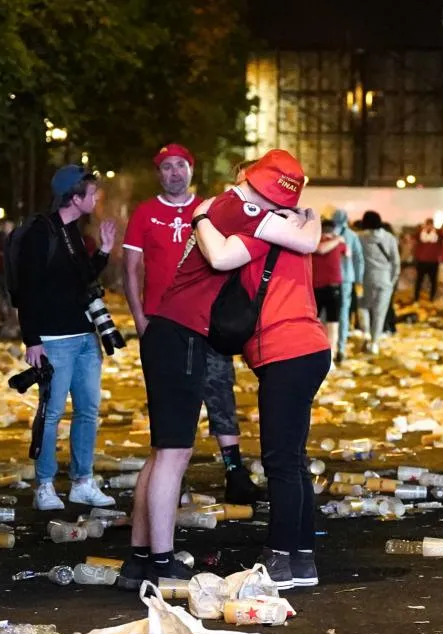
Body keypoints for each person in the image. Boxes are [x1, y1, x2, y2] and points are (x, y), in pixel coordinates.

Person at [120, 150, 322, 587]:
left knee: (163, 453)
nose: (278, 210)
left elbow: (306, 233)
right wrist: (201, 218)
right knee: (175, 454)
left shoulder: (228, 207)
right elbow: (233, 257)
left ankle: (139, 559)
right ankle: (160, 563)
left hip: (169, 330)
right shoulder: (243, 211)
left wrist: (203, 217)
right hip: (182, 333)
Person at [189, 152, 330, 589]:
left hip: (286, 349)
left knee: (281, 462)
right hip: (308, 348)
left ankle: (282, 560)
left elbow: (218, 256)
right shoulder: (295, 227)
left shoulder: (263, 230)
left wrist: (200, 217)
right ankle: (301, 558)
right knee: (294, 459)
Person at [122, 144, 261, 504]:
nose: (174, 173)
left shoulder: (212, 209)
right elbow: (131, 269)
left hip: (208, 322)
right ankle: (172, 483)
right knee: (168, 406)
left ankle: (234, 471)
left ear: (191, 169)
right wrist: (140, 320)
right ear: (158, 173)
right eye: (166, 167)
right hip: (164, 326)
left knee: (220, 392)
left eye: (180, 166)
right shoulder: (145, 214)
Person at [12, 165, 117, 511]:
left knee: (88, 410)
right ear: (75, 198)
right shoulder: (41, 234)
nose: (96, 197)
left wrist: (103, 251)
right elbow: (26, 291)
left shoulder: (72, 231)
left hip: (85, 338)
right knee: (52, 413)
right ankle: (44, 485)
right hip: (54, 340)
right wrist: (33, 341)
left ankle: (82, 482)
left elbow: (82, 278)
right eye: (91, 193)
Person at [358, 211, 399, 353]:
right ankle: (375, 343)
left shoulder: (360, 238)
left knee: (363, 305)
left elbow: (357, 259)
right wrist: (392, 280)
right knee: (379, 312)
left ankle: (366, 331)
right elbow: (396, 262)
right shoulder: (390, 238)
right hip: (385, 280)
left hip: (367, 279)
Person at [312, 219, 346, 358]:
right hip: (334, 287)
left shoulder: (311, 242)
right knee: (333, 324)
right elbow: (347, 253)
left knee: (315, 324)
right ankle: (330, 357)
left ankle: (315, 354)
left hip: (315, 288)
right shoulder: (339, 244)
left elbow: (320, 249)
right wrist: (337, 239)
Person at [334, 210, 363, 362]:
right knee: (343, 313)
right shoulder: (351, 235)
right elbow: (359, 258)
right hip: (346, 279)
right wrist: (359, 279)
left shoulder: (323, 233)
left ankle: (327, 349)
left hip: (326, 281)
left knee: (325, 316)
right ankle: (341, 348)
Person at [413, 218, 441, 302]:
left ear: (432, 225)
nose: (429, 226)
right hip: (422, 261)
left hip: (433, 261)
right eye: (427, 224)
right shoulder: (420, 233)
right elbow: (413, 239)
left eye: (430, 224)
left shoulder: (438, 233)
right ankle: (416, 298)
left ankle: (432, 298)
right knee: (419, 280)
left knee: (433, 281)